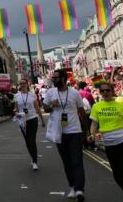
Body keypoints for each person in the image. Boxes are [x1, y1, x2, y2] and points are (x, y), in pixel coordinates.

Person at [43, 69, 88, 201]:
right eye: (53, 78)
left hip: (74, 131)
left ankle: (80, 189)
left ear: (63, 79)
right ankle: (72, 187)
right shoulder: (51, 92)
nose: (53, 80)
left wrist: (85, 131)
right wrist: (52, 104)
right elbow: (45, 108)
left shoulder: (74, 93)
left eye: (56, 78)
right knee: (67, 162)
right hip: (59, 132)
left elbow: (82, 112)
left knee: (77, 161)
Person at [89, 81, 123, 202]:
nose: (105, 92)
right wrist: (91, 134)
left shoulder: (120, 106)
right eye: (102, 91)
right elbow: (94, 124)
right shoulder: (96, 106)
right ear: (100, 93)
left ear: (112, 91)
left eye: (107, 90)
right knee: (117, 175)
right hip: (110, 145)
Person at [13, 79, 44, 170]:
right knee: (27, 141)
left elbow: (37, 107)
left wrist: (42, 119)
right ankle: (32, 156)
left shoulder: (32, 95)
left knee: (32, 140)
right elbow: (16, 108)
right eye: (20, 83)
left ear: (27, 84)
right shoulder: (16, 96)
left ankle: (35, 162)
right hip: (22, 120)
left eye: (23, 83)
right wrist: (16, 113)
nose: (22, 85)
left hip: (32, 118)